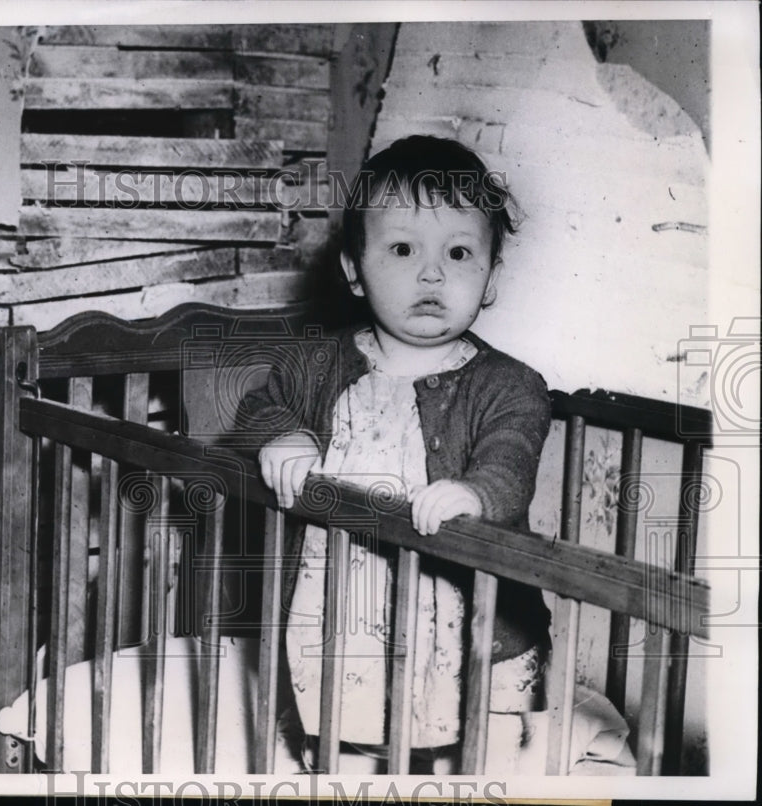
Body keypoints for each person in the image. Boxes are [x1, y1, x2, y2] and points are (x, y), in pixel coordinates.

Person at [236, 135, 552, 773]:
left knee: (479, 753)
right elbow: (258, 407)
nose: (432, 273)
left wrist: (476, 494)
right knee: (350, 734)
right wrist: (284, 435)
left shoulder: (512, 384)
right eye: (403, 248)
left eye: (460, 252)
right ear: (354, 269)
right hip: (348, 613)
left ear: (490, 275)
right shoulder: (314, 364)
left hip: (469, 623)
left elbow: (510, 457)